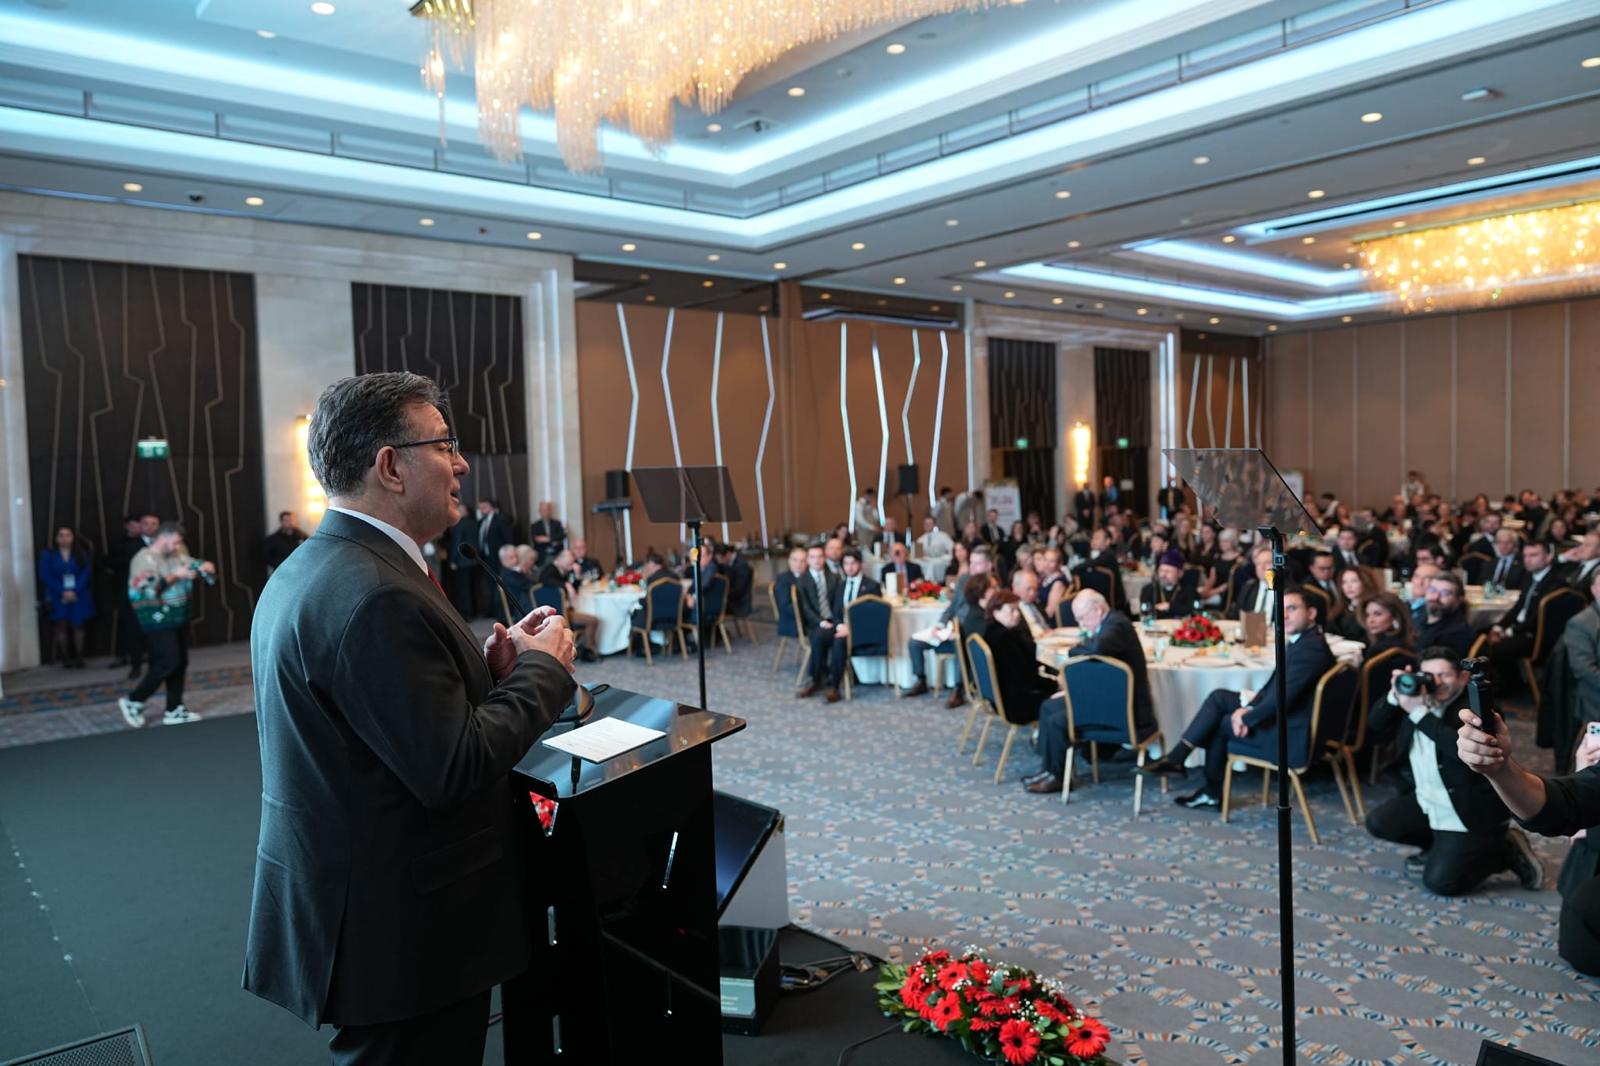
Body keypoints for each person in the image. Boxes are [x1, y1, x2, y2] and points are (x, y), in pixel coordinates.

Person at [243, 372, 577, 1062]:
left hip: (363, 899)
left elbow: (381, 720)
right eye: (445, 445)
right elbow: (452, 766)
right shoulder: (376, 593)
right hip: (403, 922)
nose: (462, 464)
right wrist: (545, 670)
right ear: (391, 467)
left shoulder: (319, 566)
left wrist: (488, 673)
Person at [1365, 650, 1542, 895]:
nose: (1436, 682)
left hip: (1469, 810)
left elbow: (1463, 753)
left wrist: (1419, 714)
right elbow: (1374, 726)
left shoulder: (1477, 709)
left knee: (1441, 883)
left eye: (1444, 675)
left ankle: (1503, 851)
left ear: (1462, 677)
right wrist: (1395, 696)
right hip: (1428, 800)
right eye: (1429, 675)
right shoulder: (1418, 698)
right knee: (1378, 823)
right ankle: (1441, 849)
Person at [1142, 587, 1334, 809]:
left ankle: (1210, 790)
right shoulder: (1305, 641)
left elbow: (1281, 700)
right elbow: (1274, 689)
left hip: (1292, 735)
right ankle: (1178, 758)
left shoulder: (1310, 651)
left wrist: (1246, 717)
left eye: (1292, 609)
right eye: (1281, 609)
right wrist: (1249, 707)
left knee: (1222, 723)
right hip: (1291, 716)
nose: (1284, 615)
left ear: (1311, 613)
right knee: (1219, 698)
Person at [1025, 590, 1153, 793]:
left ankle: (1058, 777)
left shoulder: (1117, 625)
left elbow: (1096, 648)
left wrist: (1074, 649)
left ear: (1098, 610)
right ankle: (1049, 769)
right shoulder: (1107, 624)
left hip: (1125, 709)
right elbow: (1090, 648)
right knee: (1048, 707)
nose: (1081, 624)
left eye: (1082, 618)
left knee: (1057, 721)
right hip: (1108, 697)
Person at [117, 522, 215, 728]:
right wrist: (176, 576)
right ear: (163, 538)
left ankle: (174, 708)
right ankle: (134, 700)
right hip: (156, 618)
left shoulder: (177, 554)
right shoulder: (144, 558)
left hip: (178, 616)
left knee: (180, 662)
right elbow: (149, 589)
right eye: (176, 542)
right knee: (168, 661)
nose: (179, 546)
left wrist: (205, 566)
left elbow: (191, 564)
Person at [905, 548, 997, 704]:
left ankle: (958, 689)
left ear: (988, 566)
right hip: (950, 627)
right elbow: (952, 607)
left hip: (970, 631)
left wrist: (958, 630)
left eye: (977, 564)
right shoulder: (964, 579)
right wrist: (940, 624)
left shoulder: (992, 586)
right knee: (914, 642)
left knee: (959, 643)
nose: (972, 567)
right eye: (971, 563)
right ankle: (921, 680)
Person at [799, 549, 881, 702]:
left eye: (853, 563)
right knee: (818, 636)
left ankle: (834, 687)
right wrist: (838, 626)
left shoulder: (872, 586)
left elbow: (872, 618)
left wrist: (851, 629)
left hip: (860, 630)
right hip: (841, 626)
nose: (849, 567)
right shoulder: (841, 585)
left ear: (860, 565)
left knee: (839, 641)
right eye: (846, 563)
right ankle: (816, 680)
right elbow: (835, 612)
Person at [976, 590, 1054, 724]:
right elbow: (1027, 678)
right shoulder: (1005, 640)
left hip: (999, 699)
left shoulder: (989, 633)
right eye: (1012, 610)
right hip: (1016, 705)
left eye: (1018, 610)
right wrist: (1054, 685)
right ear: (996, 612)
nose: (1017, 614)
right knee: (1066, 699)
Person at [38, 526, 95, 668]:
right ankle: (65, 658)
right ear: (56, 538)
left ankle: (80, 656)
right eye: (61, 535)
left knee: (79, 624)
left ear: (73, 537)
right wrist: (62, 590)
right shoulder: (48, 554)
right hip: (57, 594)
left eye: (68, 535)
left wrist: (74, 590)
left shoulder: (81, 553)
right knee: (61, 625)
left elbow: (86, 573)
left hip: (79, 593)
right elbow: (45, 574)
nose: (64, 538)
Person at [103, 513, 147, 675]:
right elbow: (108, 562)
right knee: (125, 622)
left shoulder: (145, 542)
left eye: (139, 525)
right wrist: (127, 562)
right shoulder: (118, 543)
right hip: (124, 586)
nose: (137, 528)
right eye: (134, 525)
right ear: (127, 526)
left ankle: (143, 653)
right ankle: (123, 655)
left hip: (143, 588)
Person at [1416, 571, 1475, 659]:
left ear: (1458, 601)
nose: (1435, 597)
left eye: (1445, 593)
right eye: (1432, 590)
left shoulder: (1457, 633)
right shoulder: (1420, 613)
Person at [474, 499, 515, 617]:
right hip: (486, 559)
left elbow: (508, 538)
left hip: (499, 559)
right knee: (489, 585)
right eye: (480, 508)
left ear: (491, 507)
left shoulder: (501, 520)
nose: (481, 510)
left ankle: (501, 613)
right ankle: (491, 610)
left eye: (484, 507)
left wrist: (508, 557)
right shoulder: (481, 521)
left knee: (500, 585)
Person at [1139, 550, 1196, 620]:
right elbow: (1145, 612)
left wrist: (1170, 607)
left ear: (1180, 573)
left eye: (1168, 571)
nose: (1163, 575)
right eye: (1161, 570)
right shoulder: (1149, 589)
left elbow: (1193, 611)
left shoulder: (1188, 590)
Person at [1359, 591, 1415, 660]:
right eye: (1368, 615)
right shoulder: (1409, 643)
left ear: (1395, 616)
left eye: (1377, 614)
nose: (1370, 620)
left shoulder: (1381, 649)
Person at [263, 510, 308, 576]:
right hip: (281, 573)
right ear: (281, 522)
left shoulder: (302, 536)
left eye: (291, 520)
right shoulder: (273, 539)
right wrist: (283, 565)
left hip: (299, 572)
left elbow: (308, 552)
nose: (290, 522)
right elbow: (268, 558)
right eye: (286, 520)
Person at [529, 500, 565, 564]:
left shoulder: (557, 523)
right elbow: (535, 539)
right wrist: (554, 540)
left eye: (548, 510)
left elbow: (562, 536)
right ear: (540, 511)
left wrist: (548, 539)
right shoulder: (535, 525)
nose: (546, 512)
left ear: (550, 511)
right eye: (543, 510)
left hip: (556, 553)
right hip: (542, 555)